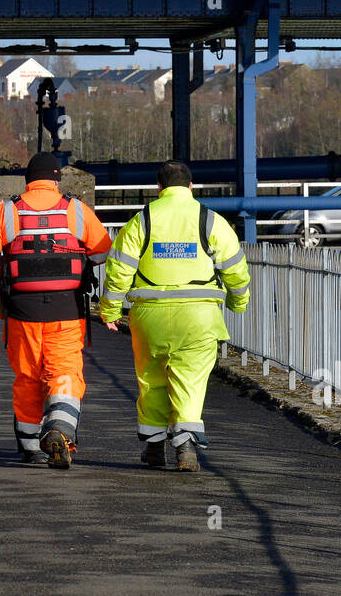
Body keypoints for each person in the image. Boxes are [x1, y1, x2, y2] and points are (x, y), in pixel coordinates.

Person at [0, 152, 112, 469]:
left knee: (27, 376)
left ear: (28, 180)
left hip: (21, 313)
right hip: (67, 310)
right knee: (65, 372)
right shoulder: (75, 210)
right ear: (56, 179)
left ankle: (29, 446)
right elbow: (103, 250)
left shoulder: (7, 212)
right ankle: (59, 428)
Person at [99, 159, 250, 472]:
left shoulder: (142, 220)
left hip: (149, 317)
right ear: (191, 187)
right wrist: (238, 303)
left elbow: (118, 271)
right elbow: (236, 270)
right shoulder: (211, 221)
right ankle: (185, 447)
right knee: (190, 381)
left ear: (159, 188)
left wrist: (110, 310)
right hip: (198, 318)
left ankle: (154, 448)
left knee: (151, 380)